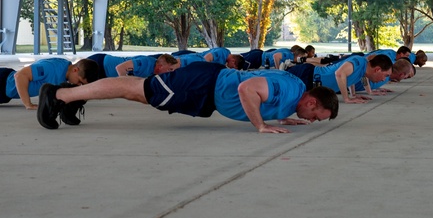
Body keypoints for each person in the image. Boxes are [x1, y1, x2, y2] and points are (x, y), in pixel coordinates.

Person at [36, 61, 337, 132]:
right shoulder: (289, 89)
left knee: (140, 94)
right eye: (314, 115)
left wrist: (282, 115)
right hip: (203, 86)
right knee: (136, 88)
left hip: (205, 89)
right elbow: (248, 89)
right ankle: (59, 94)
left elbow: (265, 90)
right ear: (312, 102)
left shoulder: (294, 90)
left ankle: (71, 97)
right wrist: (261, 125)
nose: (311, 119)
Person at [1, 57, 100, 110]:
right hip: (3, 81)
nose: (79, 85)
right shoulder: (51, 68)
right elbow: (20, 76)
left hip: (5, 93)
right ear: (75, 70)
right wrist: (28, 104)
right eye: (80, 82)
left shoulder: (65, 71)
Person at [313, 53, 392, 104]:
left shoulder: (363, 71)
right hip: (310, 75)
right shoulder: (359, 61)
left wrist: (353, 95)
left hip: (315, 84)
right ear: (377, 70)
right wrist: (346, 98)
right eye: (386, 75)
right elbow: (340, 74)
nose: (383, 79)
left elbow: (350, 77)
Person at [113, 53, 180, 78]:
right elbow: (120, 68)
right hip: (103, 64)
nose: (171, 72)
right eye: (170, 69)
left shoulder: (152, 72)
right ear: (160, 67)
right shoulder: (145, 63)